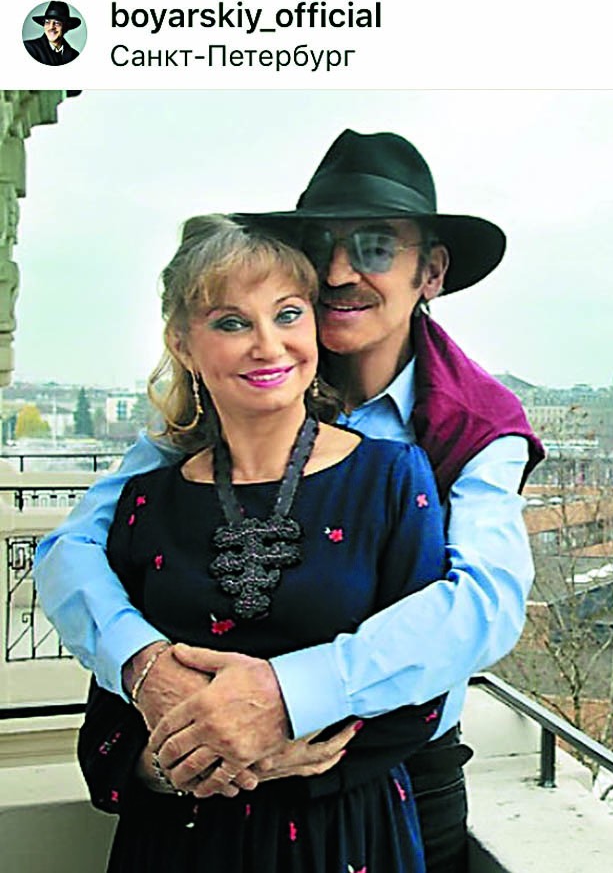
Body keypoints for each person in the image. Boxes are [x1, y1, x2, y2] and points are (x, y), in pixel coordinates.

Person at [34, 129, 545, 872]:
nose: (338, 272)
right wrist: (145, 667)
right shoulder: (250, 385)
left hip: (389, 781)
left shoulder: (471, 421)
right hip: (197, 793)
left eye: (374, 247)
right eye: (321, 245)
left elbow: (484, 605)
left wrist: (288, 697)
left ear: (431, 272)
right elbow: (76, 546)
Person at [78, 214, 448, 872]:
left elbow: (421, 690)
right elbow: (107, 723)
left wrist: (269, 746)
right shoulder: (145, 504)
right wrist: (173, 766)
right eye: (231, 322)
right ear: (183, 343)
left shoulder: (390, 479)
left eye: (287, 314)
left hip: (343, 841)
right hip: (181, 840)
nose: (267, 345)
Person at [24, 0, 81, 65]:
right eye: (47, 22)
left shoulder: (74, 55)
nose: (51, 27)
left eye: (57, 23)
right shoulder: (29, 48)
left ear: (66, 27)